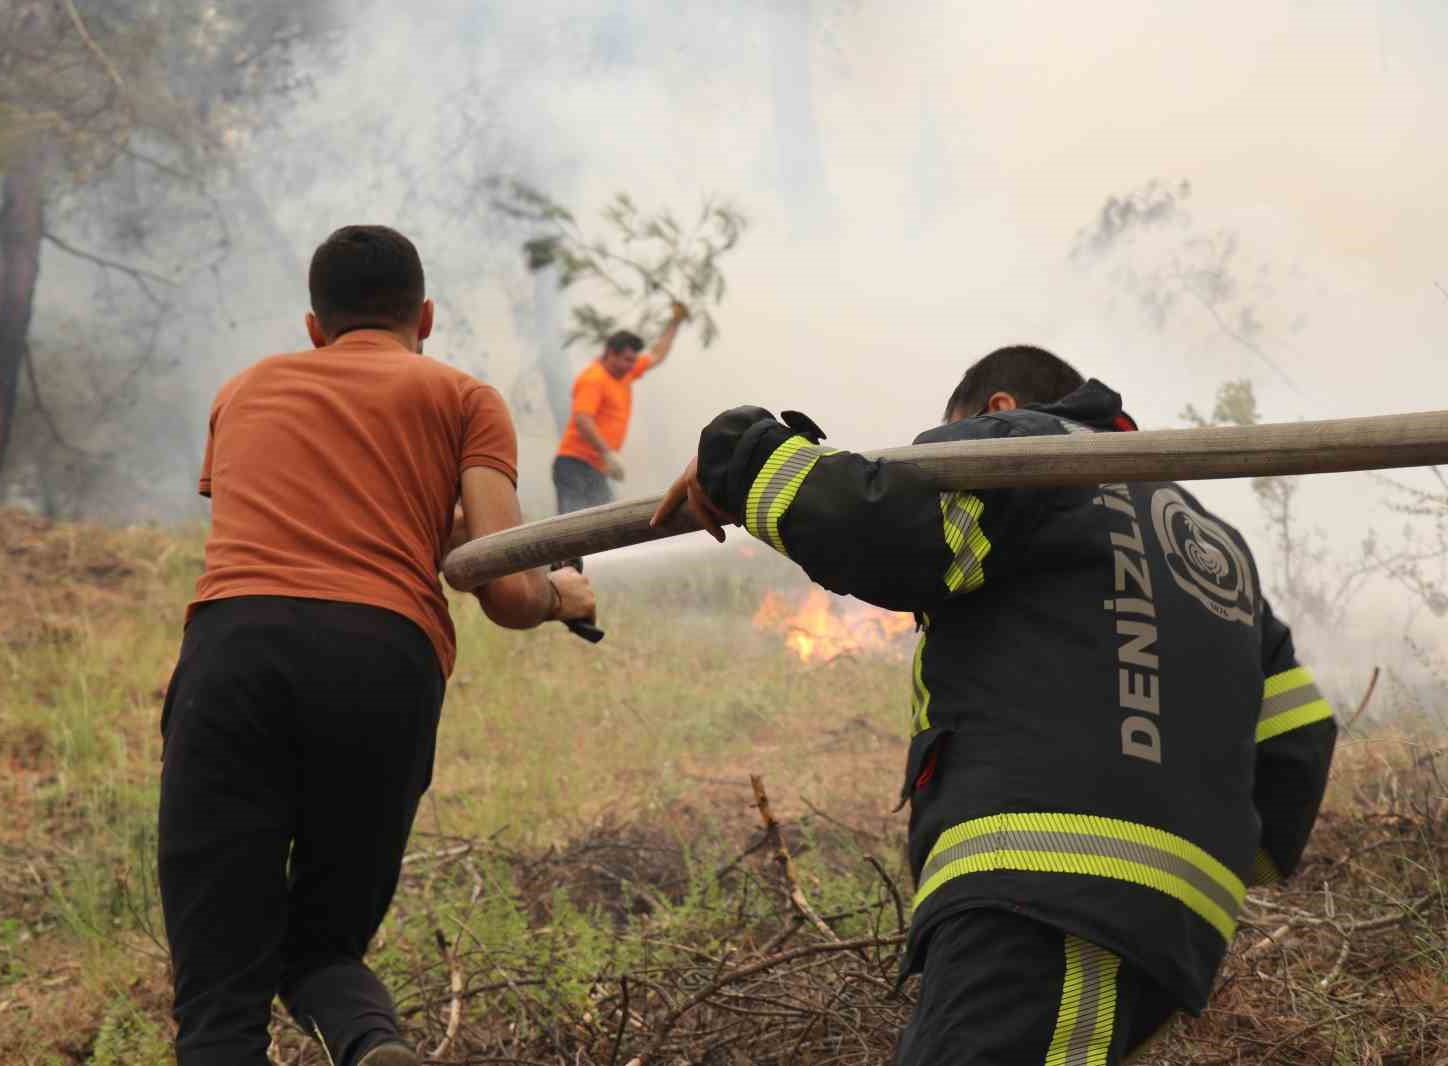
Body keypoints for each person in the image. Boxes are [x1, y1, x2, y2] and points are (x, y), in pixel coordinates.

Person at [653, 345, 1336, 1064]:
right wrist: (1190, 855)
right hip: (1171, 923)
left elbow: (883, 527)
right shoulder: (1210, 539)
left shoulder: (1021, 445)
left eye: (954, 428)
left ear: (997, 407)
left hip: (1048, 889)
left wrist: (742, 455)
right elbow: (1298, 741)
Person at [158, 225, 596, 1066]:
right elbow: (506, 589)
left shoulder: (244, 391)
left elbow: (314, 511)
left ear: (314, 327)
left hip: (235, 653)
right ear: (424, 317)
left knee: (219, 994)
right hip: (380, 662)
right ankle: (368, 1045)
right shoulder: (464, 397)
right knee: (322, 947)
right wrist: (559, 596)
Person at [551, 301, 689, 513]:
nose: (631, 366)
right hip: (574, 464)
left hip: (597, 468)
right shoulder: (593, 379)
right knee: (575, 520)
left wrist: (674, 322)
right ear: (610, 353)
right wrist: (607, 453)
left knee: (604, 519)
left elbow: (656, 355)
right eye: (626, 360)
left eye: (633, 360)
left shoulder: (625, 373)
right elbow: (582, 419)